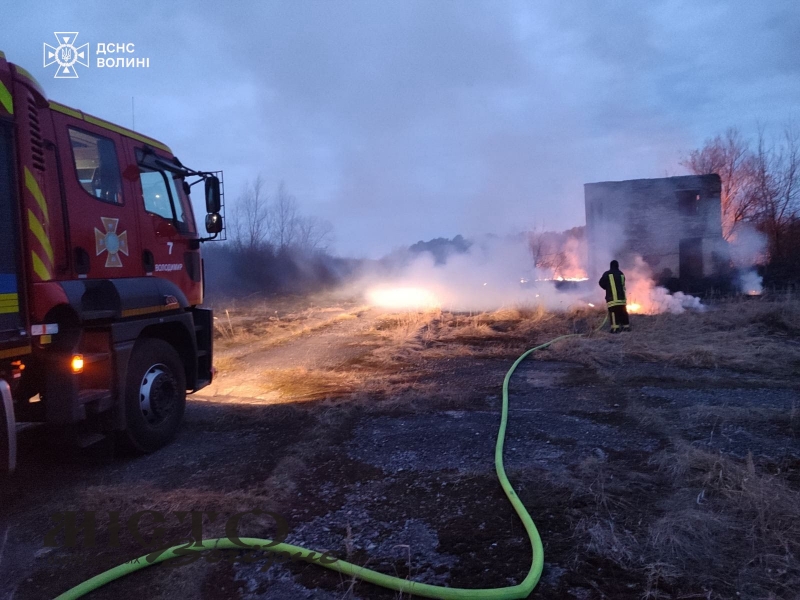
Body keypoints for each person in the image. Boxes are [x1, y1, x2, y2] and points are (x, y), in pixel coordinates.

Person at [598, 260, 631, 333]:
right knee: (623, 312)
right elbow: (623, 284)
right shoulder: (621, 274)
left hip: (612, 298)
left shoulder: (607, 274)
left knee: (613, 312)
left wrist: (607, 288)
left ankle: (615, 328)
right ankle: (626, 327)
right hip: (622, 299)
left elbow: (601, 283)